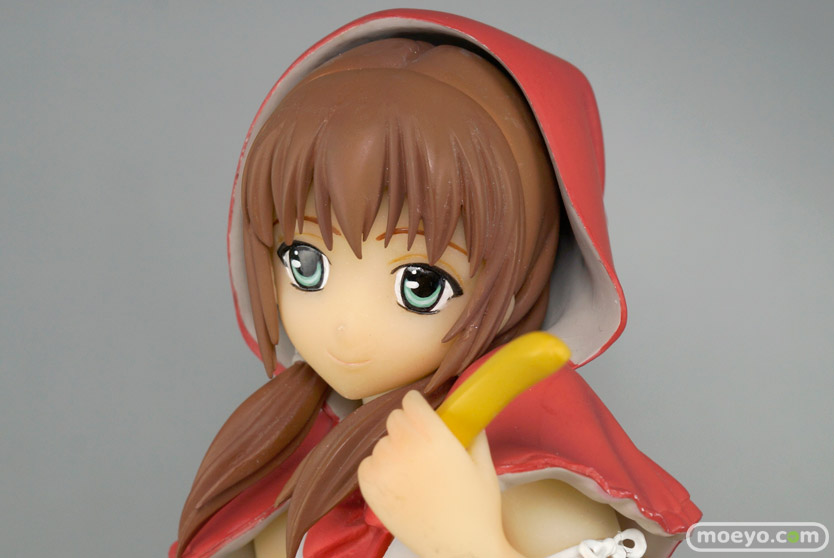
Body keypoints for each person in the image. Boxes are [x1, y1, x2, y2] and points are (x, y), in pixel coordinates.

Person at [172, 10, 700, 558]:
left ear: (517, 279)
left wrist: (465, 540)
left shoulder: (531, 479)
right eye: (306, 263)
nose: (345, 323)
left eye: (420, 283)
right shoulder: (287, 443)